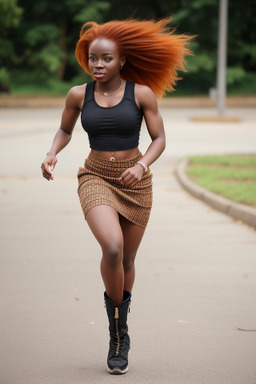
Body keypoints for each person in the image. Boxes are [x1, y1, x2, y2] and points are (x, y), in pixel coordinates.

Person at [41, 18, 192, 374]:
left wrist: (141, 167)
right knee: (112, 247)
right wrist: (52, 152)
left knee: (126, 262)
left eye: (106, 59)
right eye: (93, 58)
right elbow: (65, 128)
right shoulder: (78, 94)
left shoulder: (141, 94)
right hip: (95, 176)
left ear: (121, 61)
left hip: (136, 183)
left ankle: (120, 328)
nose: (98, 65)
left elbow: (159, 139)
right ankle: (117, 337)